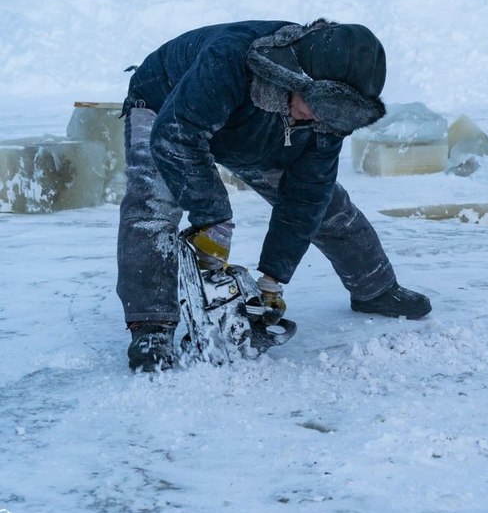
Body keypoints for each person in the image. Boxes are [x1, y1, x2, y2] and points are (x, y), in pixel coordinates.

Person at [117, 19, 432, 373]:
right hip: (168, 105)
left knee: (327, 206)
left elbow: (308, 194)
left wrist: (272, 278)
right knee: (152, 205)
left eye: (331, 115)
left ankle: (375, 288)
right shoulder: (229, 57)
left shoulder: (325, 117)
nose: (318, 118)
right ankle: (151, 327)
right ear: (296, 77)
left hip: (251, 129)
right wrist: (212, 217)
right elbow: (176, 135)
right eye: (317, 105)